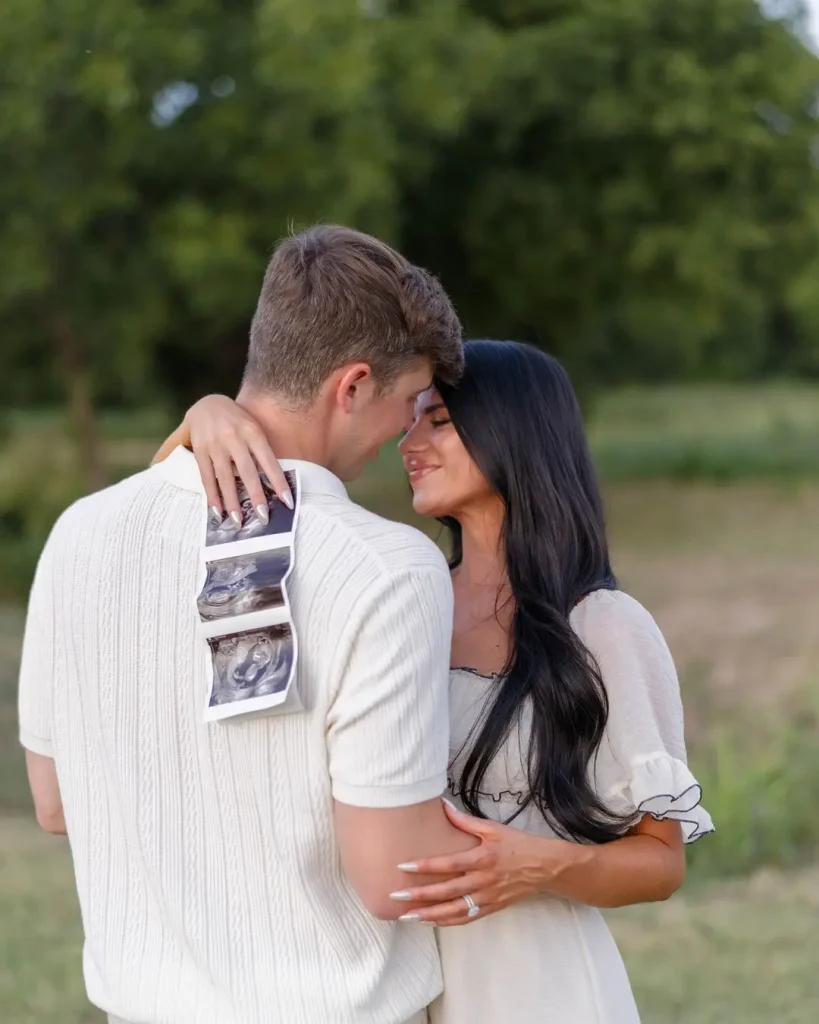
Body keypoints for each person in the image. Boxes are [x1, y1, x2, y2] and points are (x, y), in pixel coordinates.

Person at [166, 339, 714, 1023]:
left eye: (440, 421)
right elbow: (165, 516)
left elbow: (660, 863)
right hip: (383, 982)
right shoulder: (399, 595)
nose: (408, 442)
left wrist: (537, 866)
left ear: (513, 432)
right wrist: (211, 414)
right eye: (410, 418)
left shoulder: (602, 627)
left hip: (535, 986)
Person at [17, 224, 481, 1024]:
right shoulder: (388, 569)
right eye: (409, 406)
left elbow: (55, 805)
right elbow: (393, 875)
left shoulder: (77, 534)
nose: (404, 436)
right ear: (352, 386)